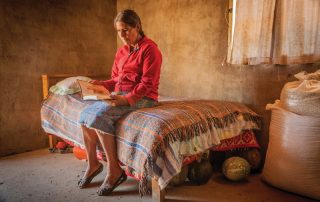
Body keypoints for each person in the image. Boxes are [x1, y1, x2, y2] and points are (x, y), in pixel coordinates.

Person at [77, 9, 162, 196]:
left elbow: (147, 84)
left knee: (99, 116)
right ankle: (93, 165)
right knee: (84, 116)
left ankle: (115, 170)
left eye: (125, 30)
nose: (122, 35)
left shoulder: (150, 49)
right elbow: (115, 79)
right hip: (120, 93)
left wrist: (126, 99)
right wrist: (100, 84)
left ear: (137, 27)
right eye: (118, 31)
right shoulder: (122, 51)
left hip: (144, 98)